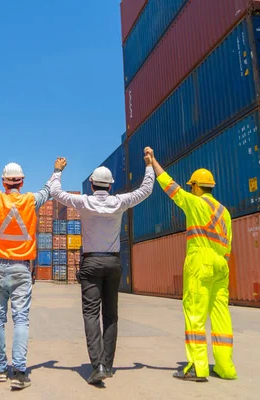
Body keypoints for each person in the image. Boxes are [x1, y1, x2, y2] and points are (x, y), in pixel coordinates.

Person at [49, 149, 154, 385]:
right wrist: (148, 165)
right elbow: (146, 190)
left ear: (93, 184)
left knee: (90, 314)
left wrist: (57, 171)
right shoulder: (120, 202)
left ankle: (96, 365)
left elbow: (55, 192)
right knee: (111, 315)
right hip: (113, 262)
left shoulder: (84, 202)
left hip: (91, 263)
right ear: (110, 185)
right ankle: (107, 364)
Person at [146, 147, 237, 382]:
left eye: (191, 186)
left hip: (201, 262)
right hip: (221, 265)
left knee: (195, 314)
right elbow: (228, 246)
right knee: (220, 317)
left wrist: (153, 162)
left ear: (196, 187)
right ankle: (225, 367)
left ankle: (198, 367)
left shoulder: (195, 203)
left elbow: (170, 186)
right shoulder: (225, 212)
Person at [0, 142, 51, 390]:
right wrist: (57, 170)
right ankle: (20, 370)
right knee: (21, 319)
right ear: (21, 182)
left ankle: (1, 369)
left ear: (4, 182)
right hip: (22, 269)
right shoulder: (31, 201)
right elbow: (49, 189)